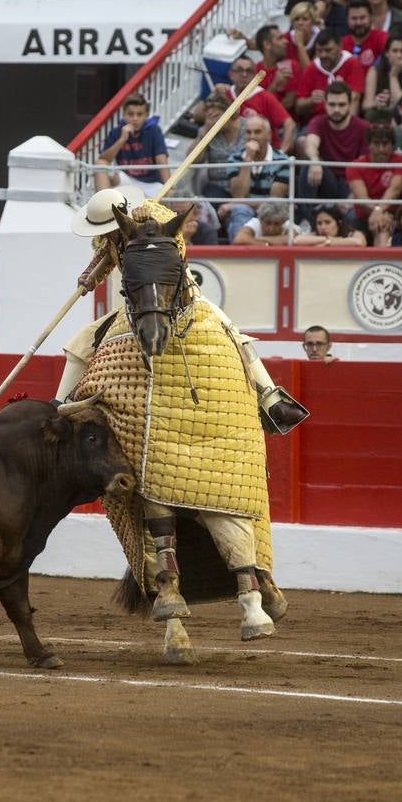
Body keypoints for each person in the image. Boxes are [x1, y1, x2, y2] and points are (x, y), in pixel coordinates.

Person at [61, 187, 301, 647]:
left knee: (229, 328)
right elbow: (107, 264)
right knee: (85, 339)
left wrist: (155, 246)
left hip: (174, 299)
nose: (108, 237)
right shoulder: (111, 241)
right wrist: (93, 273)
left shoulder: (155, 219)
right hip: (135, 307)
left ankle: (270, 394)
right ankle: (63, 406)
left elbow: (175, 252)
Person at [299, 81, 371, 218]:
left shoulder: (364, 127)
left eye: (341, 105)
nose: (336, 109)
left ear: (350, 104)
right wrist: (314, 160)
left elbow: (365, 167)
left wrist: (353, 195)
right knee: (308, 164)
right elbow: (311, 143)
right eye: (332, 104)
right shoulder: (318, 122)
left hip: (352, 183)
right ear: (325, 104)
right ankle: (306, 221)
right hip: (327, 180)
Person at [94, 92, 170, 195]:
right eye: (130, 114)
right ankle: (104, 204)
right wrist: (122, 139)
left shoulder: (153, 130)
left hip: (151, 183)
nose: (135, 118)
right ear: (124, 115)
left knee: (167, 195)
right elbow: (104, 159)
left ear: (146, 116)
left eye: (139, 114)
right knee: (100, 164)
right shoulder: (117, 132)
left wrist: (169, 187)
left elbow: (161, 160)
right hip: (127, 181)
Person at [347, 123, 402, 235]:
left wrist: (379, 211)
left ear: (392, 145)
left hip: (394, 216)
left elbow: (394, 190)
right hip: (364, 217)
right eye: (376, 143)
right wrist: (379, 211)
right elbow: (362, 198)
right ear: (369, 145)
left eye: (385, 144)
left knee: (382, 227)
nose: (381, 149)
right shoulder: (355, 166)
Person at [293, 30, 366, 121]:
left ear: (340, 46)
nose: (323, 55)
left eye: (328, 50)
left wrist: (348, 128)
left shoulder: (351, 63)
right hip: (317, 123)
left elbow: (354, 99)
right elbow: (299, 107)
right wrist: (311, 101)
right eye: (319, 51)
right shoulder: (312, 68)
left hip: (344, 121)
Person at [363, 35, 402, 123]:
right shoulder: (374, 71)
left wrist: (393, 75)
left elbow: (401, 104)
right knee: (370, 114)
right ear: (387, 53)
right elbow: (366, 105)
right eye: (395, 51)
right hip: (381, 113)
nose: (399, 55)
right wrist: (377, 102)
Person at [294, 202, 370, 246]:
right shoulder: (317, 235)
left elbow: (359, 242)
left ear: (339, 223)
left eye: (327, 222)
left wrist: (329, 242)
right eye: (319, 223)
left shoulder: (352, 233)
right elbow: (297, 240)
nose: (323, 227)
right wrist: (327, 239)